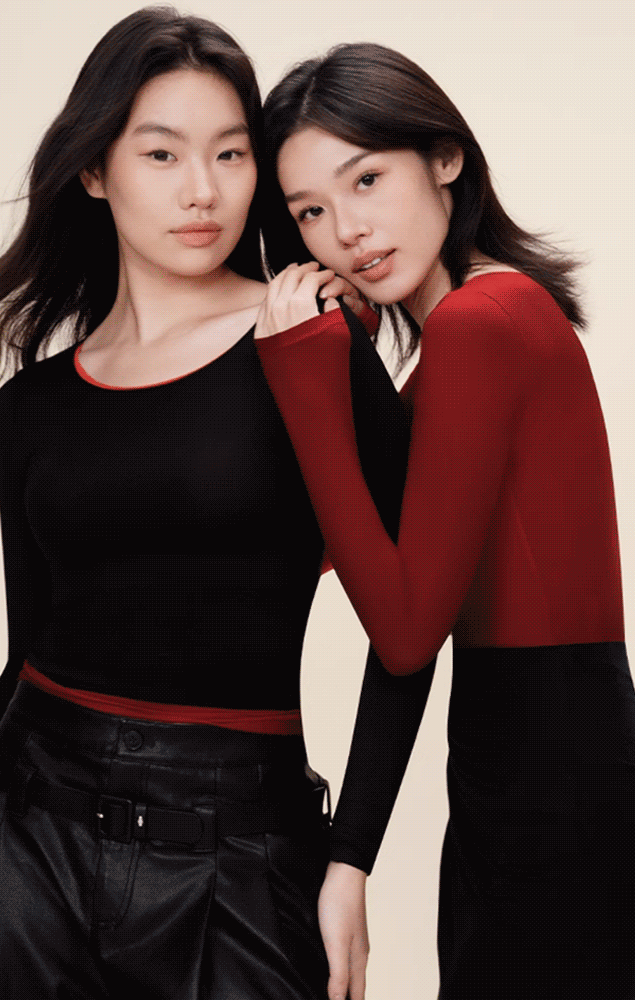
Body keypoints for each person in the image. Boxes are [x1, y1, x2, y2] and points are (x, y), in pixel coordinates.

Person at [0, 13, 420, 1000]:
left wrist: (352, 859)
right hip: (29, 854)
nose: (202, 190)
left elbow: (412, 622)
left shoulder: (308, 344)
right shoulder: (32, 408)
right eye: (162, 153)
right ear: (96, 170)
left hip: (242, 857)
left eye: (231, 153)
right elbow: (31, 654)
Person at [254, 42, 635, 1000]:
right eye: (310, 211)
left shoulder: (479, 325)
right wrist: (349, 365)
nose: (347, 230)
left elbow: (405, 626)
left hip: (546, 784)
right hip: (540, 765)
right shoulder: (479, 330)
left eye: (367, 180)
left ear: (445, 158)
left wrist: (303, 375)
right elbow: (358, 561)